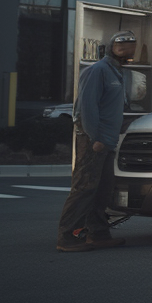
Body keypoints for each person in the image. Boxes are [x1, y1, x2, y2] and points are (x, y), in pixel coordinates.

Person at [56, 30, 135, 252]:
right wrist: (94, 138)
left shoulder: (117, 72)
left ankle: (98, 234)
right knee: (84, 188)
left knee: (102, 189)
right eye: (122, 46)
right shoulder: (98, 70)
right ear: (111, 48)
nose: (128, 50)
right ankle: (68, 237)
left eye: (131, 46)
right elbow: (87, 108)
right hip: (95, 141)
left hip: (108, 141)